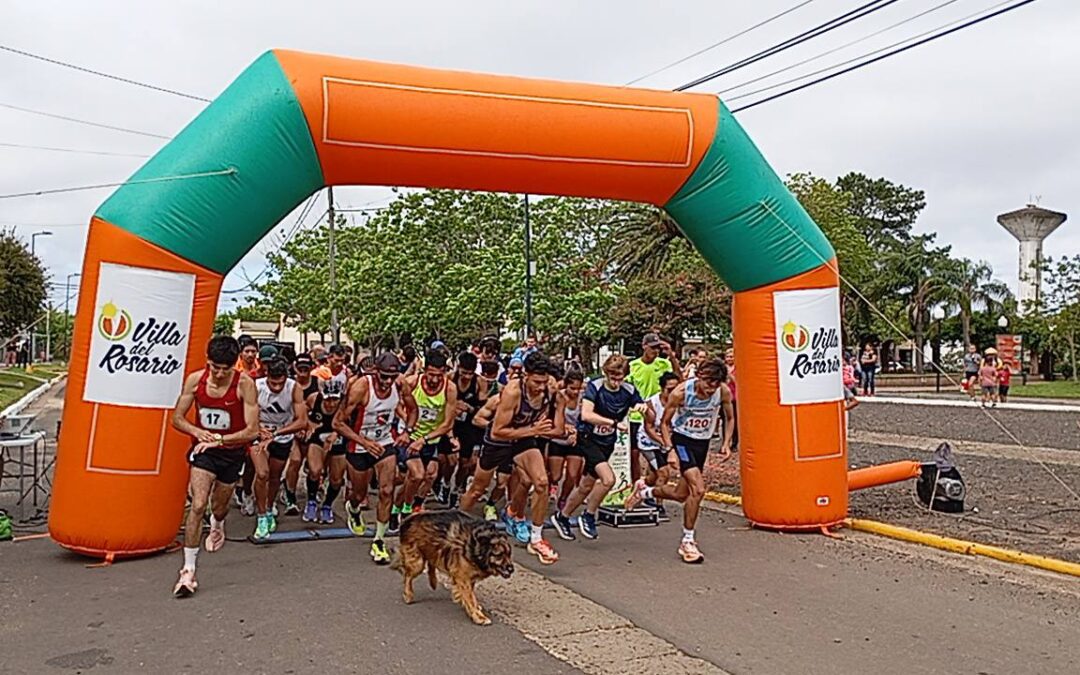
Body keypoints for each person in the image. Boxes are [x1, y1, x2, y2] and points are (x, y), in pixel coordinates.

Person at [169, 336, 260, 597]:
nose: (219, 374)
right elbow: (177, 418)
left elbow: (252, 430)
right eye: (215, 367)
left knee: (219, 506)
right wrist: (198, 432)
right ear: (208, 361)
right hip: (203, 452)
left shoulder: (245, 384)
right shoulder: (196, 380)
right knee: (198, 504)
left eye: (226, 369)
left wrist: (221, 439)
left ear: (236, 365)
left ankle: (218, 522)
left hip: (231, 452)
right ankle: (188, 572)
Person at [624, 357, 733, 564]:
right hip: (682, 441)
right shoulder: (681, 393)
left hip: (702, 443)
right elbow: (664, 423)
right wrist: (670, 450)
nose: (710, 391)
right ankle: (688, 541)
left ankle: (644, 491)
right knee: (698, 490)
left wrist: (726, 443)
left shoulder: (723, 392)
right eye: (708, 385)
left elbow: (730, 417)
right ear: (699, 376)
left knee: (681, 494)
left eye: (715, 386)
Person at [461, 352, 563, 564]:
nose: (540, 387)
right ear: (525, 375)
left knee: (542, 482)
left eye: (544, 382)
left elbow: (558, 429)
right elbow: (498, 431)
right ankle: (455, 525)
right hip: (499, 440)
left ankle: (536, 538)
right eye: (536, 382)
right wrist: (534, 429)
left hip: (524, 437)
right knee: (477, 490)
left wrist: (559, 425)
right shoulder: (512, 392)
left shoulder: (551, 391)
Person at [334, 352, 417, 564]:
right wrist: (363, 443)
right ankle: (353, 509)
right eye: (383, 377)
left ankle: (379, 540)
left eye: (392, 377)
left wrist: (407, 430)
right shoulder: (361, 387)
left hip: (385, 443)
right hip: (358, 444)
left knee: (387, 490)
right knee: (359, 494)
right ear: (375, 372)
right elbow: (338, 422)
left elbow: (413, 409)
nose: (387, 382)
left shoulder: (400, 384)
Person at [552, 354, 642, 541]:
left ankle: (563, 516)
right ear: (606, 373)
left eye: (620, 377)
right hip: (588, 438)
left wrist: (642, 407)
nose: (616, 382)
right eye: (613, 377)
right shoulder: (596, 386)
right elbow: (586, 414)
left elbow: (640, 404)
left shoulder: (629, 389)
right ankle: (589, 514)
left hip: (607, 441)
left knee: (586, 485)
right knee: (608, 480)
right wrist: (614, 423)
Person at [251, 358, 308, 539]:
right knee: (262, 474)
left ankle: (268, 508)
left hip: (282, 434)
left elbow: (302, 421)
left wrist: (277, 433)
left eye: (280, 384)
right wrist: (259, 429)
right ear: (266, 376)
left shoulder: (294, 388)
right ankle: (260, 516)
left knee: (275, 476)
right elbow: (246, 412)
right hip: (259, 434)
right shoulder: (256, 386)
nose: (276, 388)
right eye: (273, 383)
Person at [399, 350, 458, 519]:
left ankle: (415, 504)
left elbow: (447, 423)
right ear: (424, 370)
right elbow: (395, 404)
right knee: (415, 475)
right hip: (409, 435)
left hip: (430, 437)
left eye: (439, 375)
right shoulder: (411, 382)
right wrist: (408, 420)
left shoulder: (450, 389)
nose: (434, 380)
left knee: (430, 475)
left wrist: (425, 439)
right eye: (431, 375)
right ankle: (404, 508)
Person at [627, 333, 680, 486]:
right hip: (636, 415)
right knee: (634, 454)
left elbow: (677, 377)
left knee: (656, 456)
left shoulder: (664, 364)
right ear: (644, 347)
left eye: (658, 348)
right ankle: (635, 483)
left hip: (660, 413)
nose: (655, 351)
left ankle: (648, 486)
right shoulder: (633, 366)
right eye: (652, 348)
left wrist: (671, 355)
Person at [444, 351, 488, 508]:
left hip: (469, 425)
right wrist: (453, 405)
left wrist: (469, 408)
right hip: (451, 423)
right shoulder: (449, 378)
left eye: (470, 373)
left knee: (465, 462)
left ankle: (457, 488)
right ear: (458, 368)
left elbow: (484, 408)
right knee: (448, 460)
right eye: (463, 373)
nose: (466, 377)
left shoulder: (480, 382)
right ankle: (446, 482)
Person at [637, 371, 681, 517]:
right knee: (663, 472)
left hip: (666, 441)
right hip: (649, 442)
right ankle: (658, 505)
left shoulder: (680, 402)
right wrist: (665, 444)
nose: (672, 393)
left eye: (676, 389)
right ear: (662, 389)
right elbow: (649, 428)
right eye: (669, 390)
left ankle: (642, 487)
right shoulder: (652, 403)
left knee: (654, 476)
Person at [548, 368, 585, 513]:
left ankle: (563, 498)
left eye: (578, 388)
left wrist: (577, 432)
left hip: (574, 440)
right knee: (556, 475)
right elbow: (550, 418)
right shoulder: (558, 397)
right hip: (557, 439)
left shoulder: (583, 398)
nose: (575, 392)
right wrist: (564, 427)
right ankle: (552, 485)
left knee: (572, 474)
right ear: (566, 385)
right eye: (572, 388)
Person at [724, 347, 738, 451]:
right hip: (725, 397)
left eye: (731, 356)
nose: (729, 358)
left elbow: (737, 382)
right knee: (725, 419)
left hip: (735, 396)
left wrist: (730, 374)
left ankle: (734, 442)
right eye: (728, 356)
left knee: (735, 420)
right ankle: (725, 442)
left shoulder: (738, 368)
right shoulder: (723, 368)